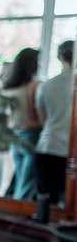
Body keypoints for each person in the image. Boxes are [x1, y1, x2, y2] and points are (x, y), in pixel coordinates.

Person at [35, 40, 75, 205]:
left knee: (45, 201)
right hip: (71, 150)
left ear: (60, 57)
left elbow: (42, 120)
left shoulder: (46, 86)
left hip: (48, 144)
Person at [0, 48, 42, 200]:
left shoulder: (9, 87)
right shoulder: (35, 86)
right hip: (31, 136)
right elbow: (38, 114)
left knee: (20, 179)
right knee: (26, 184)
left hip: (15, 137)